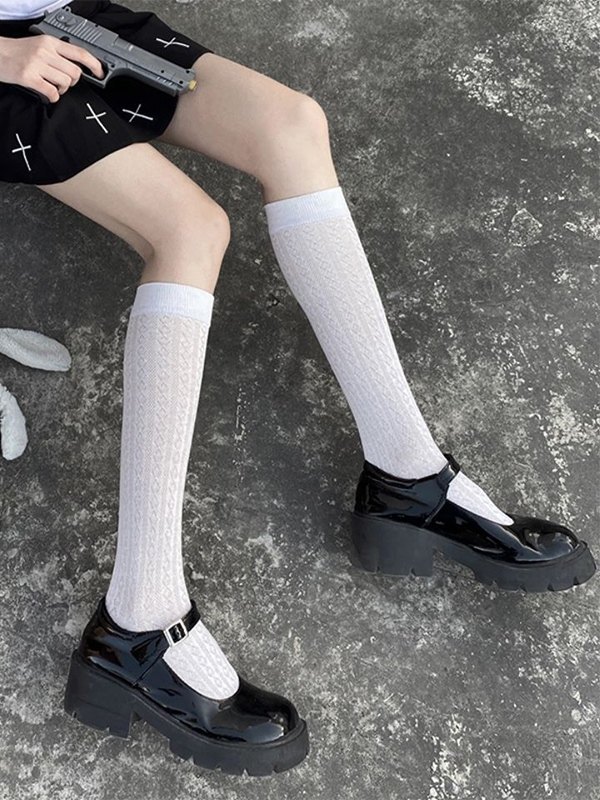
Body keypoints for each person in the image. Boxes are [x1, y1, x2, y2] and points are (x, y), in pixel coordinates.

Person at [0, 0, 595, 777]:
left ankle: (408, 476)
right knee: (192, 230)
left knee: (291, 125)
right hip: (10, 62)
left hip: (66, 20)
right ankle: (137, 621)